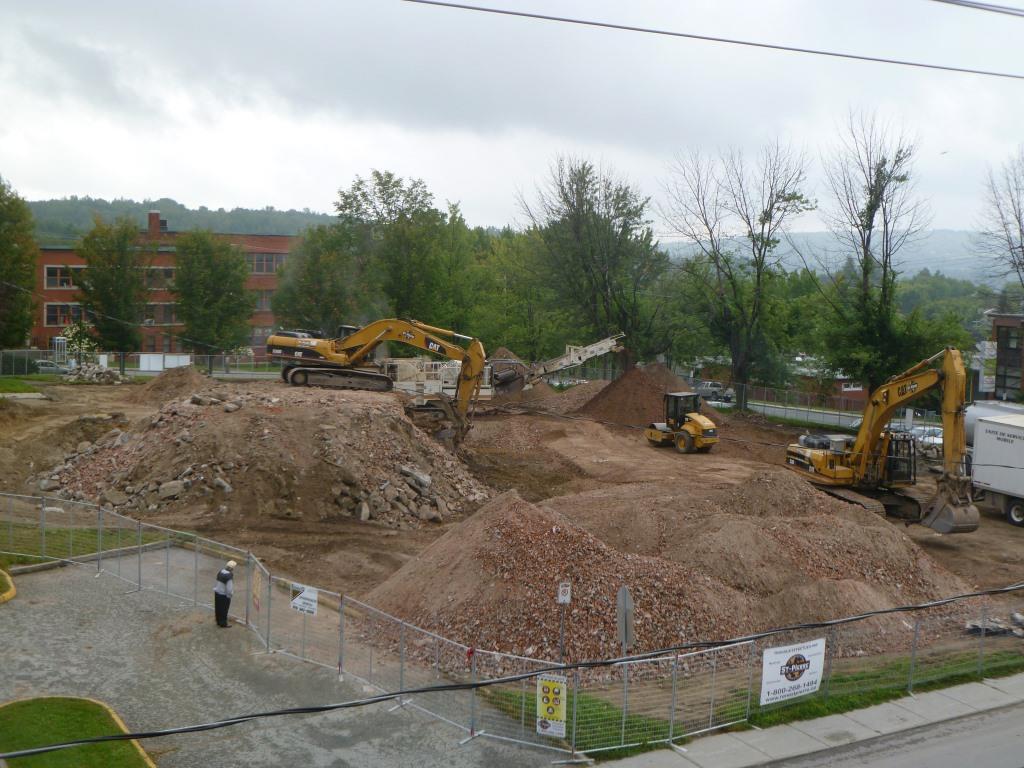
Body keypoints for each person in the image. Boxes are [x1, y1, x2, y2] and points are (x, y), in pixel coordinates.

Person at [213, 560, 236, 627]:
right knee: (224, 609)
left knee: (218, 608)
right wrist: (230, 595)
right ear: (232, 568)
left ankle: (218, 621)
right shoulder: (229, 576)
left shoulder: (220, 572)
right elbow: (229, 589)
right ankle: (223, 623)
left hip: (217, 593)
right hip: (224, 595)